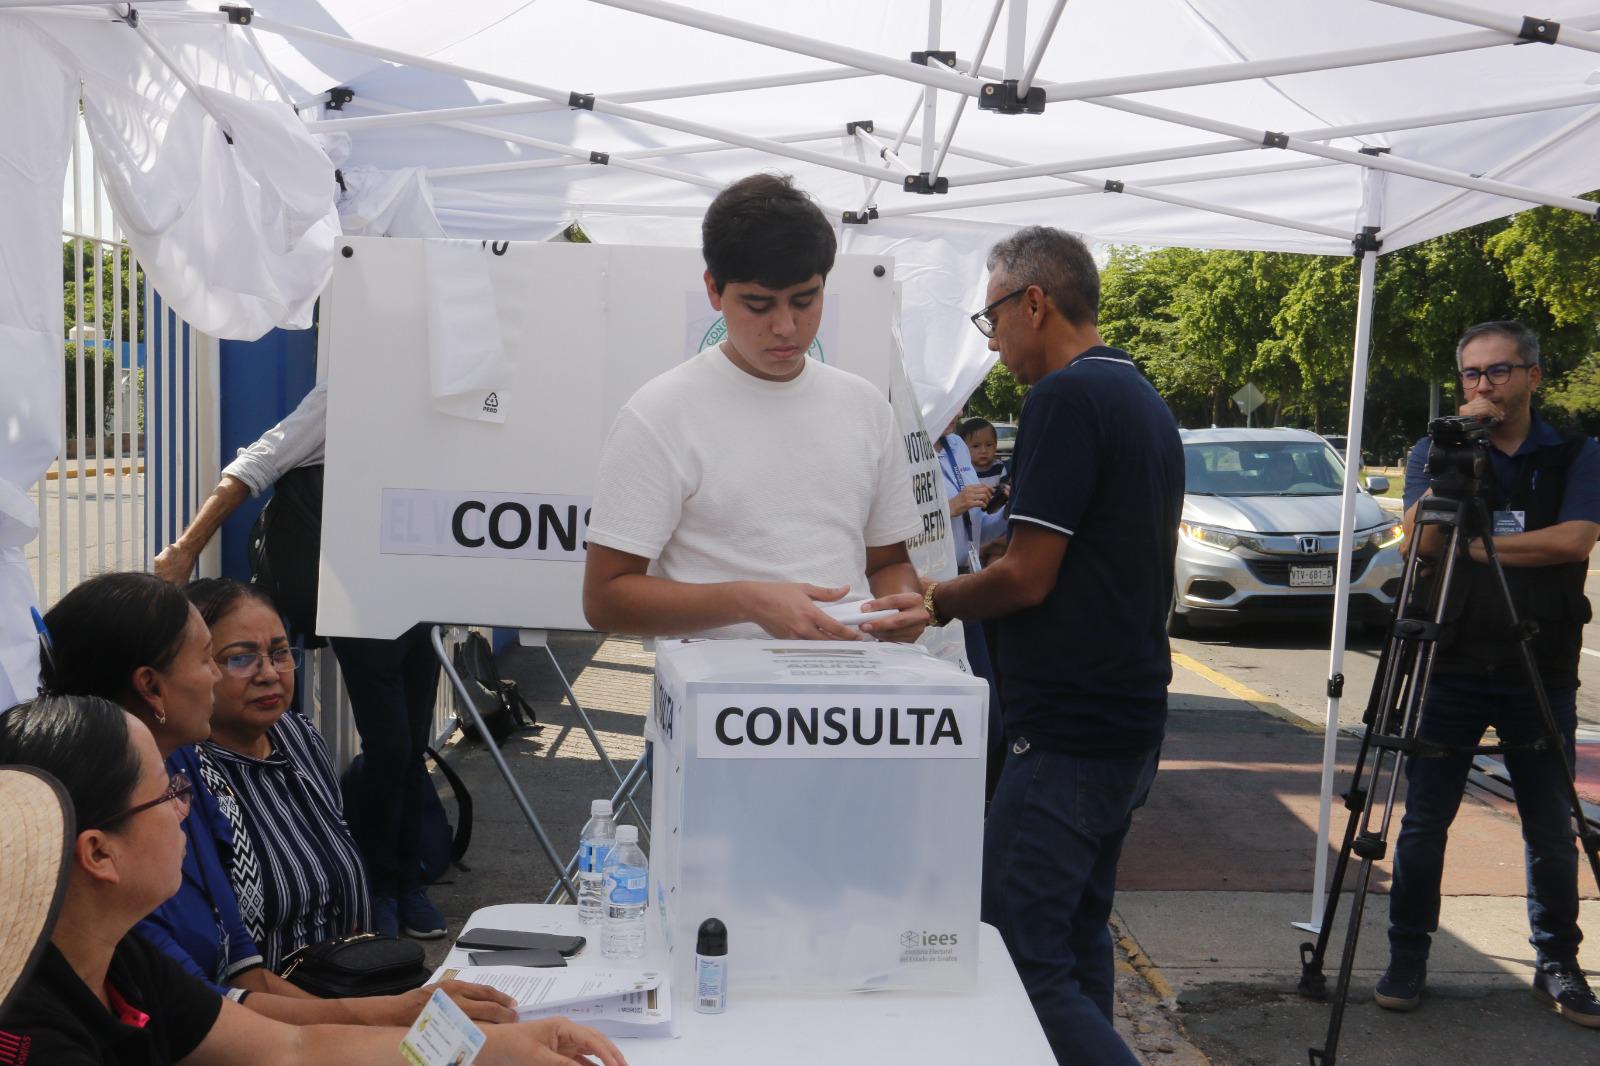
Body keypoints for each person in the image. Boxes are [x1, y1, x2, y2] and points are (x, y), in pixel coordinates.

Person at [0, 692, 627, 1066]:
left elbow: (296, 1048)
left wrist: (488, 1050)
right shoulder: (32, 1035)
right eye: (168, 792)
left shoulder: (116, 960)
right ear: (97, 853)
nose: (187, 806)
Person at [922, 226, 1183, 1064]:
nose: (991, 340)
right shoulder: (1138, 392)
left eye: (991, 316)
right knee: (1075, 940)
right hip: (1125, 719)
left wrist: (935, 600)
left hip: (1068, 730)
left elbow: (1029, 576)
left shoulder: (1066, 399)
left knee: (1015, 957)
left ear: (1034, 302)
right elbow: (1084, 551)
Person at [37, 573, 507, 1027]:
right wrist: (386, 1021)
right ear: (150, 686)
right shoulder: (170, 785)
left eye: (280, 653)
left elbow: (237, 971)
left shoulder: (284, 739)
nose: (267, 674)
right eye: (218, 660)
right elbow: (211, 1005)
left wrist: (392, 1013)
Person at [153, 383, 449, 941]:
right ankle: (382, 885)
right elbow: (255, 465)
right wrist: (187, 547)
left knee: (410, 746)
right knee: (389, 747)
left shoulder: (446, 398)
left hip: (419, 597)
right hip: (362, 604)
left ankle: (405, 882)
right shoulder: (350, 392)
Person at [582, 172, 927, 642]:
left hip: (849, 701)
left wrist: (901, 607)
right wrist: (747, 602)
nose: (786, 326)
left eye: (805, 300)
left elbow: (887, 561)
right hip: (715, 706)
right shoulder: (660, 413)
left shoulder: (865, 406)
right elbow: (605, 599)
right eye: (758, 305)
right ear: (713, 290)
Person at [1381, 320, 1600, 1026]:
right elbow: (1420, 538)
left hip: (1541, 662)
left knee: (1547, 822)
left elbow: (1572, 541)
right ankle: (1408, 954)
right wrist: (1452, 460)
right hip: (1449, 661)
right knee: (1423, 826)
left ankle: (1557, 961)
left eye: (1499, 372)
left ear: (1533, 376)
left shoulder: (1575, 453)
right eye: (1473, 374)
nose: (1484, 386)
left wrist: (1477, 552)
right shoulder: (1438, 450)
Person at [186, 578, 371, 973]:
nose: (269, 674)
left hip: (353, 981)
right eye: (240, 658)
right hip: (266, 1013)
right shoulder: (188, 777)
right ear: (194, 668)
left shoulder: (295, 733)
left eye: (280, 653)